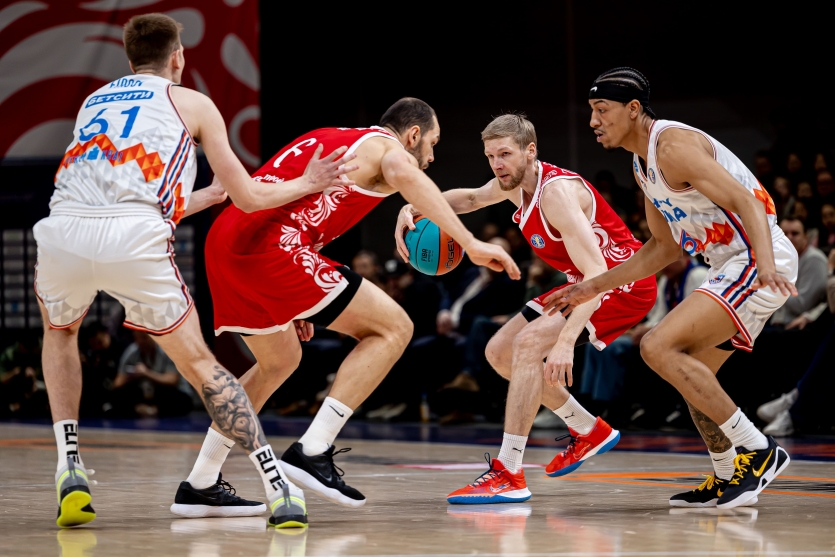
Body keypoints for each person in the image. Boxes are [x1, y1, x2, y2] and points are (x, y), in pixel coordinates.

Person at [34, 13, 356, 528]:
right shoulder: (194, 103)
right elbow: (249, 198)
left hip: (62, 231)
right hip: (134, 240)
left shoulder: (94, 102)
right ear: (178, 56)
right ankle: (277, 488)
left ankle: (68, 466)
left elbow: (112, 194)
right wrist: (308, 182)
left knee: (60, 332)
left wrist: (200, 197)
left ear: (130, 60)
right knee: (203, 366)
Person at [173, 98, 520, 515]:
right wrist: (470, 242)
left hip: (227, 243)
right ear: (413, 135)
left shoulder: (333, 136)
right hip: (272, 248)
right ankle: (313, 449)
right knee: (393, 328)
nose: (431, 156)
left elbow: (302, 201)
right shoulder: (384, 147)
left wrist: (295, 302)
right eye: (432, 142)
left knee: (279, 363)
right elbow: (402, 171)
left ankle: (201, 481)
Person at [551, 67, 798, 510]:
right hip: (731, 263)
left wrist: (764, 265)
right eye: (591, 110)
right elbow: (663, 248)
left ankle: (759, 450)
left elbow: (747, 202)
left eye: (601, 109)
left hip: (757, 257)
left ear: (633, 109)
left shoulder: (672, 145)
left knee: (656, 346)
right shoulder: (642, 163)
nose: (593, 121)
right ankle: (728, 473)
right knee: (692, 376)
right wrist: (593, 287)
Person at [394, 114, 657, 504]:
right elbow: (471, 199)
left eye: (505, 154)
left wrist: (565, 341)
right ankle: (589, 430)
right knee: (499, 352)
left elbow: (597, 274)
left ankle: (509, 472)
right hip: (583, 282)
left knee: (529, 344)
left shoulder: (556, 195)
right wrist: (415, 207)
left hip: (620, 283)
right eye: (490, 156)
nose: (497, 164)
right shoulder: (514, 186)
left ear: (530, 151)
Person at [769, 218, 827, 326]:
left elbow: (802, 305)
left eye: (795, 233)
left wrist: (770, 287)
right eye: (784, 234)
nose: (788, 238)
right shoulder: (780, 258)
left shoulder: (814, 259)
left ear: (806, 238)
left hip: (799, 328)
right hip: (776, 324)